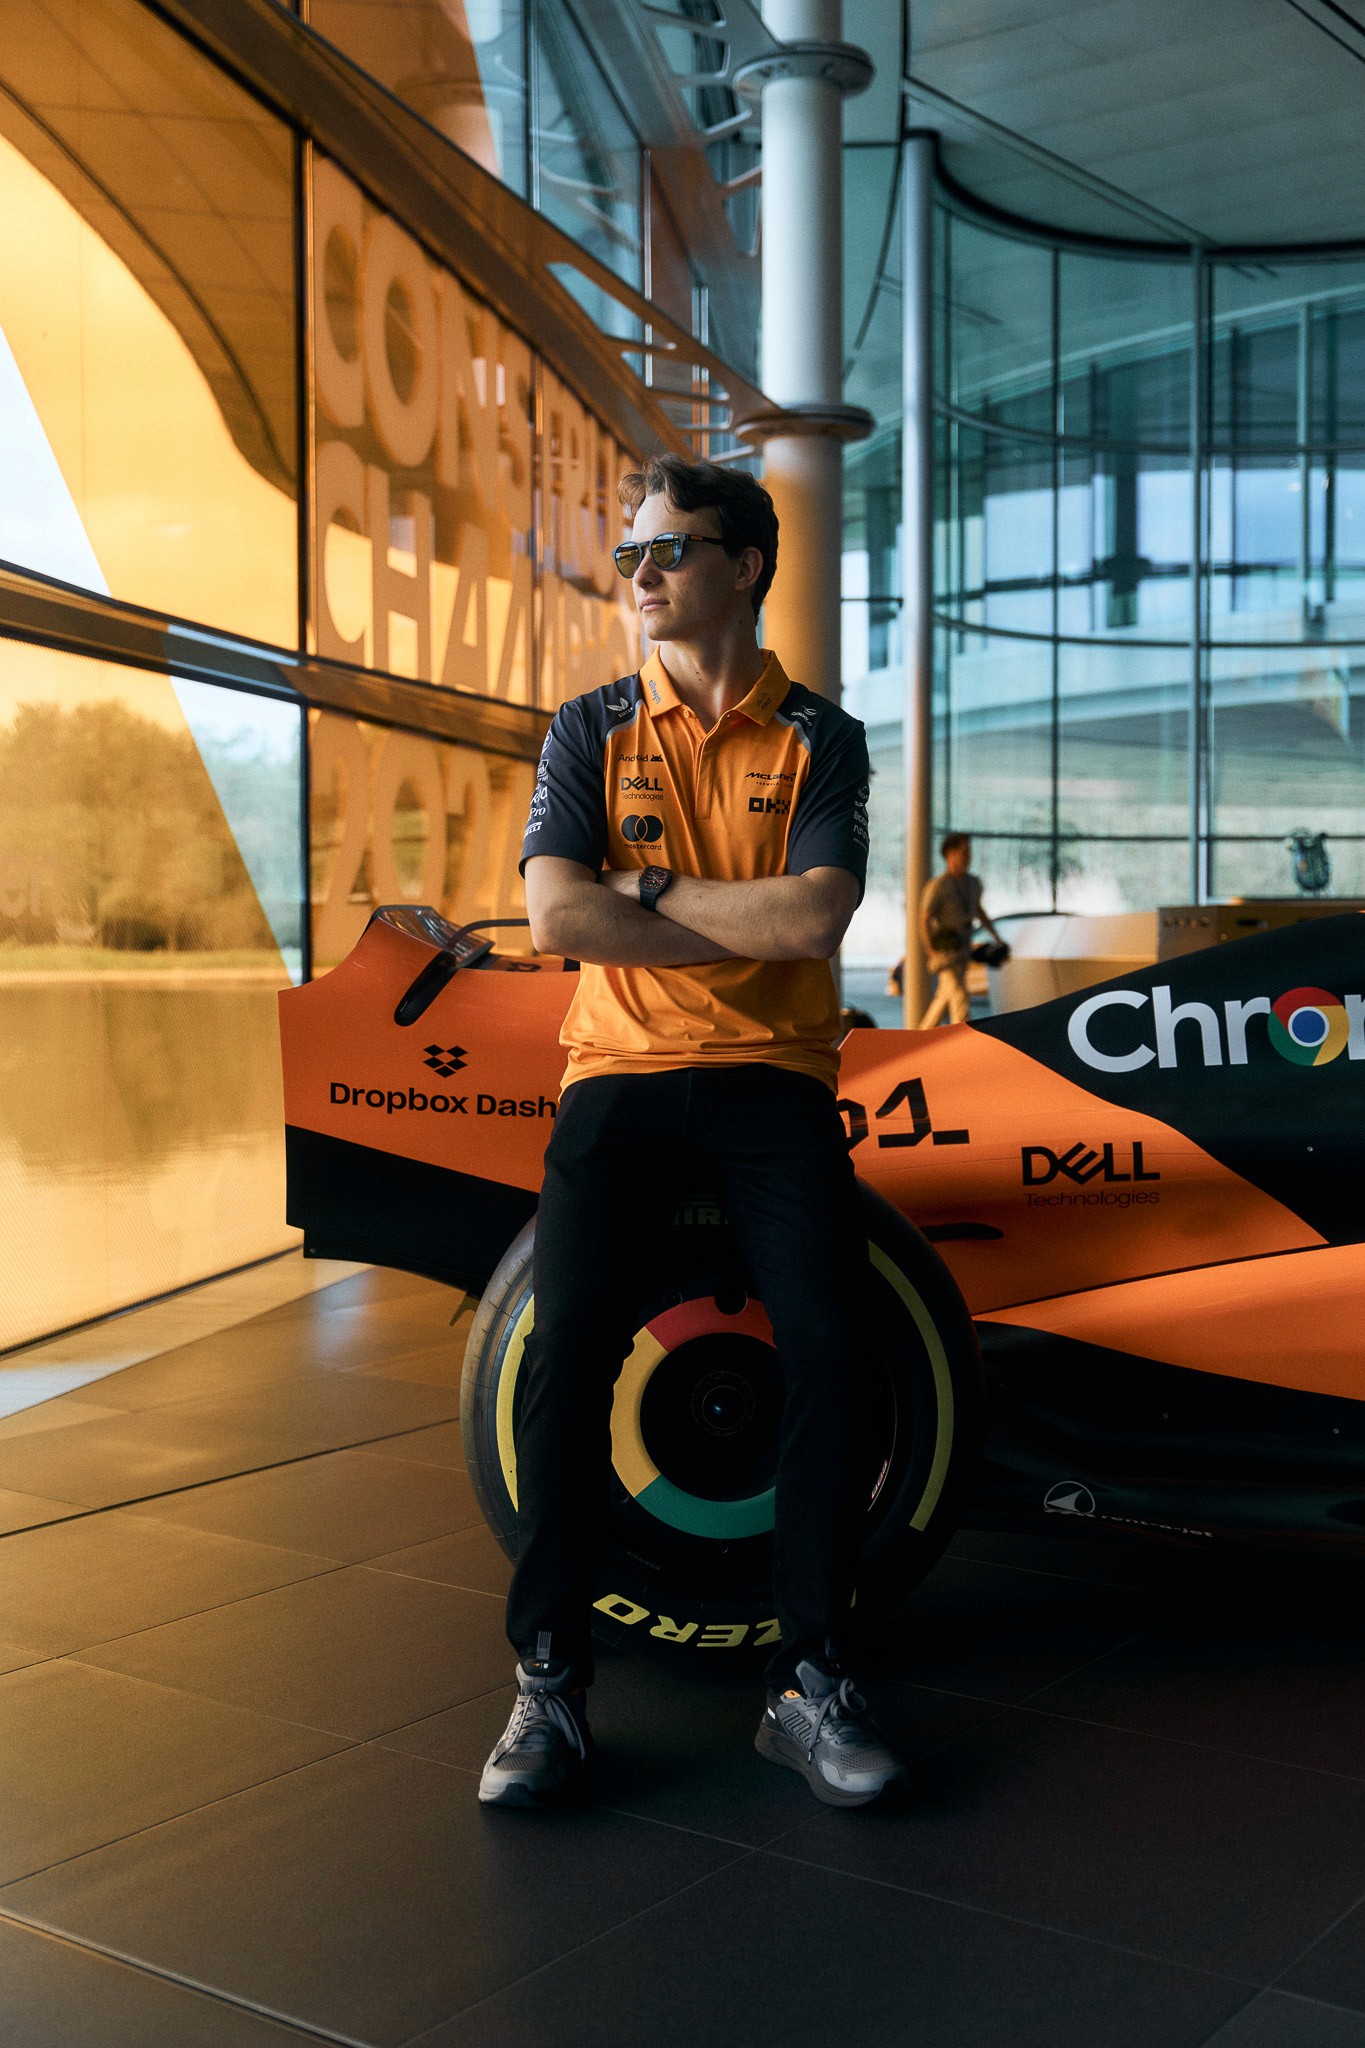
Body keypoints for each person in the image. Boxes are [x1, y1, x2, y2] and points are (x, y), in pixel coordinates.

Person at [479, 452, 905, 1813]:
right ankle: (551, 1679)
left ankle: (809, 1681)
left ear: (746, 565)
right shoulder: (587, 728)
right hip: (617, 1073)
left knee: (832, 1346)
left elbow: (813, 920)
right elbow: (559, 917)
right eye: (631, 554)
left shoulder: (823, 737)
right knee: (564, 1354)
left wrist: (647, 884)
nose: (642, 574)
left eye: (670, 549)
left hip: (775, 1079)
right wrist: (729, 913)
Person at [916, 832, 1004, 1027]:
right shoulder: (937, 886)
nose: (969, 856)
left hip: (963, 950)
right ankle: (961, 1032)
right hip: (945, 953)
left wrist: (996, 937)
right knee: (960, 997)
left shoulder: (973, 883)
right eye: (964, 852)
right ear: (950, 854)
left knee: (942, 999)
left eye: (969, 852)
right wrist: (931, 951)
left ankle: (920, 1036)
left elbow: (978, 911)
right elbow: (924, 919)